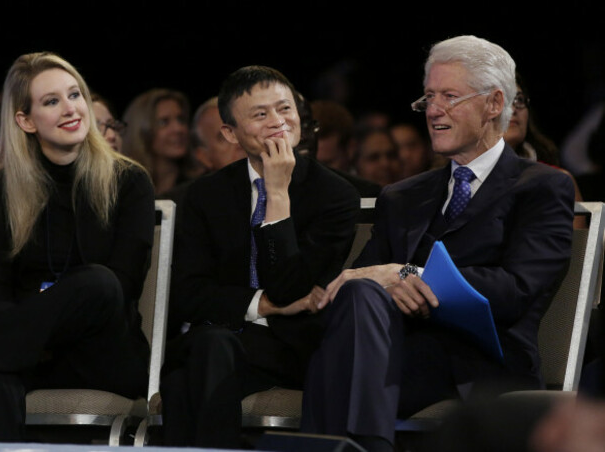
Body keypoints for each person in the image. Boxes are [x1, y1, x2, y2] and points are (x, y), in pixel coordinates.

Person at [300, 35, 575, 452]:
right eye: (428, 97)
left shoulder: (541, 187)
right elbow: (359, 286)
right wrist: (381, 279)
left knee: (342, 356)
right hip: (395, 350)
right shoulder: (403, 195)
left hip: (480, 360)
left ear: (494, 103)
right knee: (357, 294)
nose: (432, 111)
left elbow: (516, 289)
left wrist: (410, 274)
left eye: (449, 96)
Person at [0, 51, 155, 441]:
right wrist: (27, 334)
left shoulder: (129, 181)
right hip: (21, 355)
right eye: (51, 101)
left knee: (99, 281)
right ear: (25, 121)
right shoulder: (2, 188)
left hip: (102, 353)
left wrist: (29, 326)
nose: (71, 109)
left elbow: (124, 285)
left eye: (75, 94)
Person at [158, 65, 360, 449]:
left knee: (187, 378)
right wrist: (260, 305)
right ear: (230, 133)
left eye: (285, 109)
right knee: (208, 350)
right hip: (218, 339)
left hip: (290, 347)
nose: (277, 122)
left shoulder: (335, 197)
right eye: (260, 114)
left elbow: (291, 288)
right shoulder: (206, 196)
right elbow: (187, 291)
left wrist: (278, 194)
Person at [504, 73, 585, 229]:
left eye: (519, 100)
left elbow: (578, 253)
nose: (513, 108)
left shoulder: (558, 183)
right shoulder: (452, 181)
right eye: (501, 101)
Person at [121, 88, 195, 196]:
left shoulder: (197, 186)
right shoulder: (126, 187)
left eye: (181, 119)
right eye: (164, 122)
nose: (178, 129)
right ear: (142, 131)